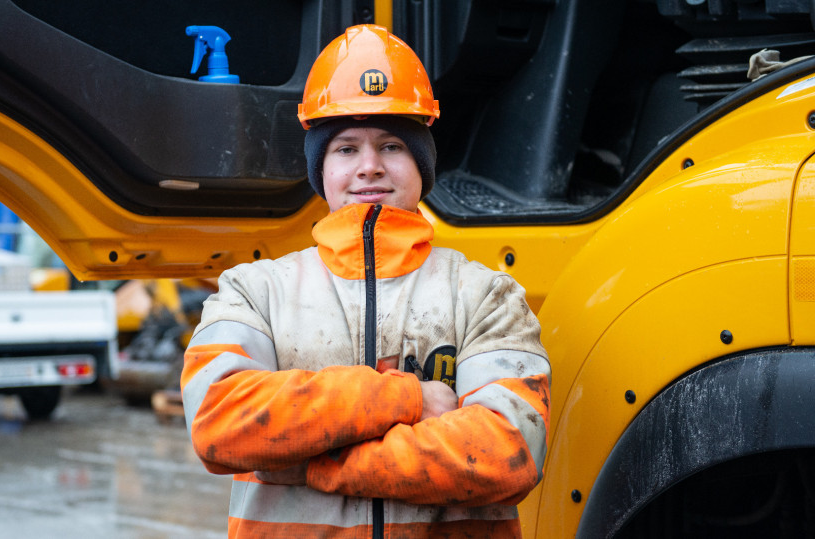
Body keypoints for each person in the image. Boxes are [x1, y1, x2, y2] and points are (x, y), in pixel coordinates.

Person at [181, 24, 551, 538]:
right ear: (321, 169)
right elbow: (219, 425)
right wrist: (410, 402)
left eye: (393, 145)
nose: (370, 167)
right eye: (346, 148)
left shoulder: (487, 296)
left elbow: (507, 452)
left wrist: (316, 465)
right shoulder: (254, 291)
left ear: (422, 164)